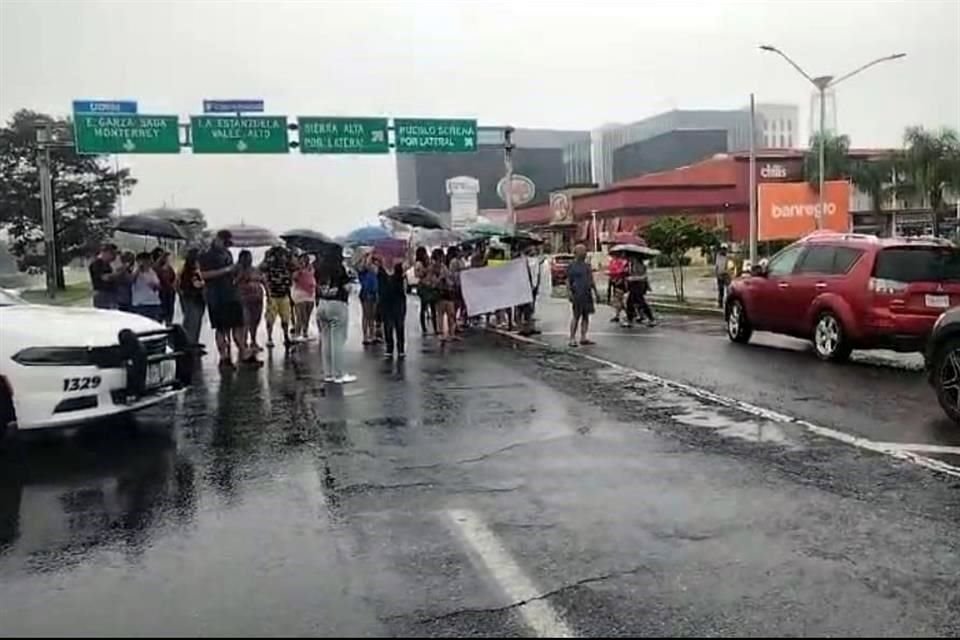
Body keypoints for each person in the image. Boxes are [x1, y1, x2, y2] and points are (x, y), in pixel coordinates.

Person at [200, 229, 248, 369]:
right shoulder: (207, 256)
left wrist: (238, 272)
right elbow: (203, 275)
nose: (226, 245)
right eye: (225, 242)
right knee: (221, 329)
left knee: (238, 325)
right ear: (218, 239)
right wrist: (226, 270)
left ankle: (243, 353)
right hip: (216, 296)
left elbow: (232, 277)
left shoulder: (227, 253)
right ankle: (224, 357)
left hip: (231, 294)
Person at [315, 248, 355, 384]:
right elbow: (347, 288)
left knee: (325, 339)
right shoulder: (339, 268)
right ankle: (339, 374)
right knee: (337, 340)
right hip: (337, 305)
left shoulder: (319, 268)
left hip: (321, 304)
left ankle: (328, 374)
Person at [260, 245, 294, 349]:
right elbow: (260, 268)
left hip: (284, 295)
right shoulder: (269, 265)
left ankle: (286, 336)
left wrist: (289, 254)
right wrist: (267, 257)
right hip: (273, 295)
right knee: (270, 318)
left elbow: (296, 266)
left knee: (285, 318)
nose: (281, 257)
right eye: (279, 255)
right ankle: (270, 338)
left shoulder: (286, 265)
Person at [566, 244, 599, 347]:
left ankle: (583, 337)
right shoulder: (572, 266)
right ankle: (572, 338)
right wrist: (569, 292)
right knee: (576, 316)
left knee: (586, 316)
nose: (584, 253)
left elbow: (591, 280)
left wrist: (596, 292)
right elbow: (568, 280)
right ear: (576, 253)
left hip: (587, 293)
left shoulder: (587, 266)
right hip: (577, 293)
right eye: (582, 251)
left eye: (585, 251)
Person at [378, 256, 407, 359]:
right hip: (385, 301)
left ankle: (401, 348)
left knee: (399, 324)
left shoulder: (399, 268)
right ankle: (389, 348)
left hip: (399, 300)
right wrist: (371, 254)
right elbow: (367, 266)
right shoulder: (380, 270)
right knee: (388, 325)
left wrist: (410, 249)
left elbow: (410, 263)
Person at [236, 249, 265, 352]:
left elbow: (263, 281)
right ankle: (243, 344)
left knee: (255, 321)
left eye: (249, 258)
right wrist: (241, 276)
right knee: (245, 322)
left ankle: (253, 341)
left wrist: (269, 294)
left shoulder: (255, 269)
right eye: (246, 258)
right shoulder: (237, 270)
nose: (248, 260)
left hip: (257, 298)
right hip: (244, 299)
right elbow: (233, 283)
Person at [178, 248, 206, 346]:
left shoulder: (194, 270)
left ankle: (194, 341)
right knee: (192, 322)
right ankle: (189, 343)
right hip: (192, 298)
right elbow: (195, 284)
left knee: (196, 322)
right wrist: (203, 283)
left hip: (197, 299)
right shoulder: (189, 272)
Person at [624, 256, 657, 327]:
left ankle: (651, 319)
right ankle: (630, 320)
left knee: (640, 302)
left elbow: (643, 276)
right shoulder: (631, 264)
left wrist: (631, 278)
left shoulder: (639, 265)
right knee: (630, 302)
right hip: (634, 285)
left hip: (638, 285)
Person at [433, 248, 458, 342]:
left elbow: (449, 277)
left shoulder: (444, 266)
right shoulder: (434, 267)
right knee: (440, 314)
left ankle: (452, 333)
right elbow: (433, 281)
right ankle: (441, 333)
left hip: (448, 291)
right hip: (440, 292)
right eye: (440, 256)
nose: (442, 258)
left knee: (451, 313)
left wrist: (450, 282)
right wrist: (440, 278)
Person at [291, 254, 316, 341]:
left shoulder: (311, 268)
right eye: (301, 260)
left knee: (307, 315)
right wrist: (299, 271)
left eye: (305, 260)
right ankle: (297, 333)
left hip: (310, 293)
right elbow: (294, 278)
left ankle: (305, 332)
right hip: (300, 293)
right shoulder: (297, 270)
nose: (303, 262)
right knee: (301, 315)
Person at [131, 252, 163, 321]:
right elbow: (131, 280)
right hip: (141, 304)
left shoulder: (152, 272)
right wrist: (139, 269)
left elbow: (159, 286)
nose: (151, 262)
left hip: (154, 302)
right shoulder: (136, 272)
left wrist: (155, 286)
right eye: (149, 260)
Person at [414, 247, 437, 335]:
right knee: (423, 307)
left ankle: (435, 327)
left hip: (430, 286)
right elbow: (418, 275)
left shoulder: (429, 262)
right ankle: (424, 328)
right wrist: (425, 270)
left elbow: (433, 271)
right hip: (423, 286)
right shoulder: (418, 264)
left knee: (433, 307)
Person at [359, 253, 380, 345]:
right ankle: (365, 336)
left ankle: (372, 334)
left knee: (372, 315)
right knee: (366, 315)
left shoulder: (375, 270)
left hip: (374, 293)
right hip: (366, 293)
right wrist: (368, 255)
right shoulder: (364, 270)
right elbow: (365, 266)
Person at [89, 243, 118, 309]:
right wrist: (118, 273)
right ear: (106, 252)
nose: (114, 257)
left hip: (110, 293)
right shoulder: (97, 263)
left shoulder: (108, 264)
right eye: (113, 254)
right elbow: (105, 278)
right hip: (102, 293)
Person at [153, 250, 177, 325]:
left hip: (170, 292)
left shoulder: (169, 268)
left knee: (169, 312)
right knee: (161, 312)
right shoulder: (157, 268)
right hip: (162, 292)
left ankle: (168, 323)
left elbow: (174, 277)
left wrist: (174, 285)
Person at [607, 254, 628, 324]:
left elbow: (623, 272)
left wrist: (618, 277)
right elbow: (611, 270)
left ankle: (626, 313)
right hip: (615, 281)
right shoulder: (613, 262)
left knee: (619, 299)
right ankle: (618, 315)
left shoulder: (623, 262)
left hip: (620, 282)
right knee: (619, 300)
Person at [715, 244, 731, 309]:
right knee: (720, 290)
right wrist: (717, 275)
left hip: (726, 275)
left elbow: (729, 266)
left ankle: (728, 304)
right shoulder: (718, 256)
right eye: (722, 249)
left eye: (724, 249)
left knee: (728, 290)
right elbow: (717, 266)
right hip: (720, 274)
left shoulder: (727, 257)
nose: (723, 250)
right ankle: (720, 303)